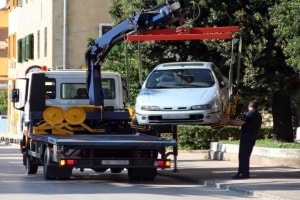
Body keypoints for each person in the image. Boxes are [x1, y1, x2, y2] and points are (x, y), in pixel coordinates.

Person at [222, 100, 262, 179]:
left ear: (249, 106)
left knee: (243, 155)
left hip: (247, 136)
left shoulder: (249, 113)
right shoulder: (258, 114)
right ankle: (243, 172)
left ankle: (242, 173)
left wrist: (228, 121)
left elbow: (240, 122)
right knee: (246, 155)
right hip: (253, 135)